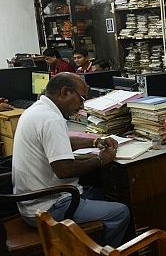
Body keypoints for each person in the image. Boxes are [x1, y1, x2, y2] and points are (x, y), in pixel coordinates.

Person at [12, 72, 130, 247]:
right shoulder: (51, 119)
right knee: (120, 212)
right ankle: (103, 251)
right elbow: (64, 170)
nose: (82, 106)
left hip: (31, 201)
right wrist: (100, 160)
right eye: (81, 99)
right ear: (65, 92)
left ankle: (92, 239)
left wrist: (95, 140)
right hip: (48, 207)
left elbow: (63, 140)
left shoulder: (37, 110)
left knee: (100, 192)